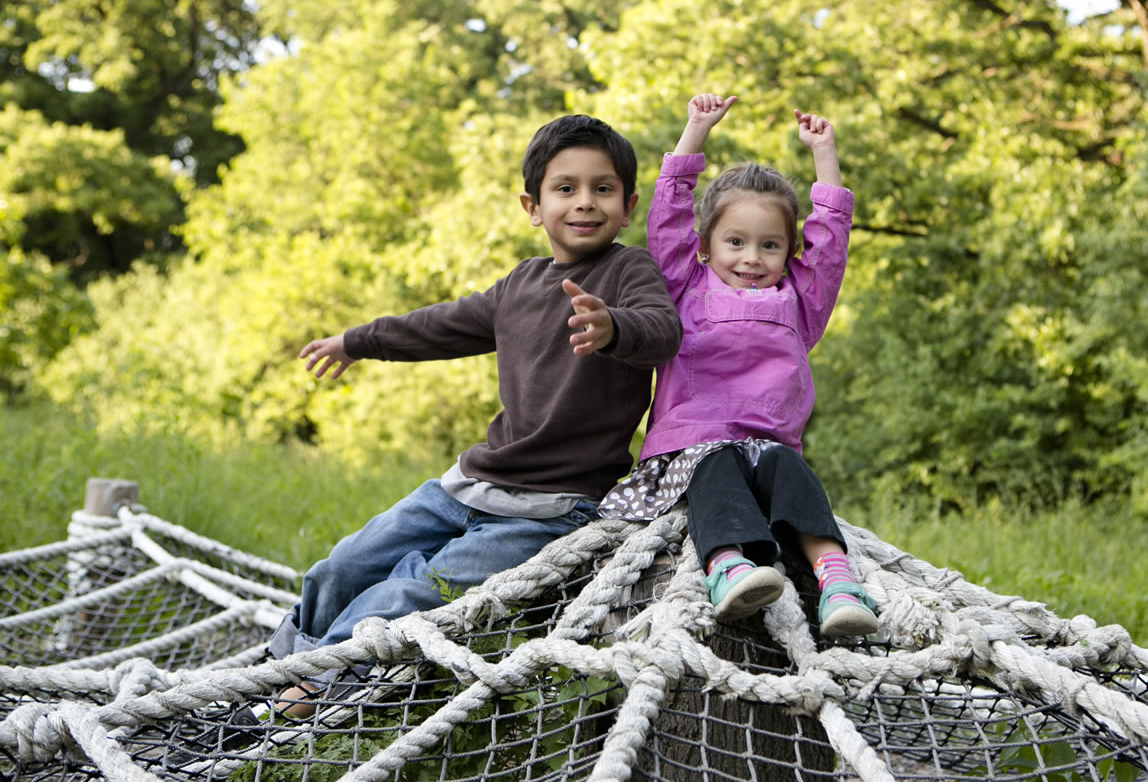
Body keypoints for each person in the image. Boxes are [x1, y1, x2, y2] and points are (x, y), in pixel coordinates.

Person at [272, 114, 683, 714]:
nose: (585, 202)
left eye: (603, 189)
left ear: (628, 205)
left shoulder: (628, 272)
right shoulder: (520, 283)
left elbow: (663, 331)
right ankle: (277, 670)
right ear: (533, 206)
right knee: (343, 565)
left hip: (550, 509)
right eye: (565, 188)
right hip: (466, 486)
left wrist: (612, 325)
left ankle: (308, 696)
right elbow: (439, 324)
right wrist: (357, 341)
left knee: (413, 588)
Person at [599, 94, 878, 638]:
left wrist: (825, 152)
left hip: (770, 448)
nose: (752, 257)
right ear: (705, 245)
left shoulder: (800, 301)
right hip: (694, 449)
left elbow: (831, 244)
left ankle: (837, 580)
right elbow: (667, 219)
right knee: (718, 469)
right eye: (735, 242)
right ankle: (729, 566)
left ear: (789, 251)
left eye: (770, 246)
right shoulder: (684, 287)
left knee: (794, 474)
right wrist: (695, 131)